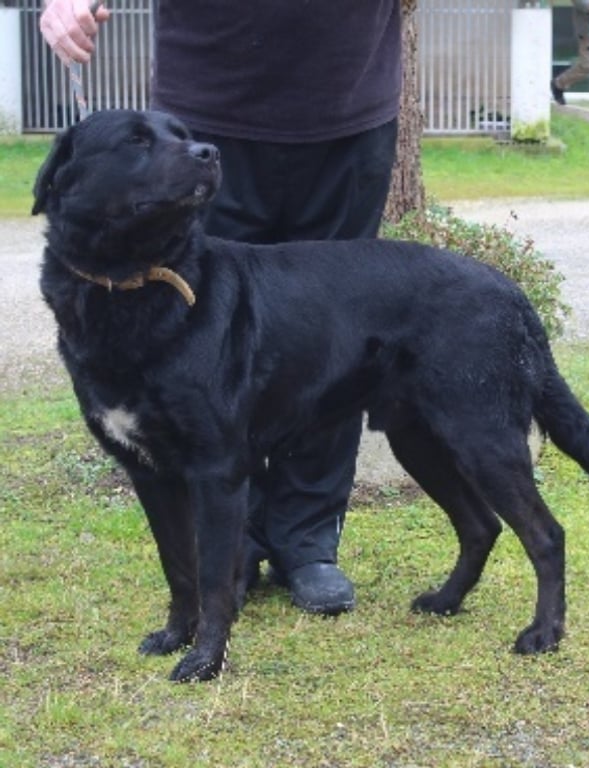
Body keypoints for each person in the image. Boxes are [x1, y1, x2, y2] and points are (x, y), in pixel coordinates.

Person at [39, 0, 403, 616]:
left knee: (331, 342)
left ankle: (307, 542)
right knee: (197, 361)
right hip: (207, 116)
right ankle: (227, 553)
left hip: (348, 105)